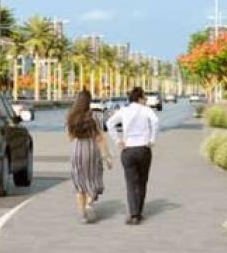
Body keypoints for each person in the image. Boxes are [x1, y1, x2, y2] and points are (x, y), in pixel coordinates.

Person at [105, 85, 160, 225]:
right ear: (140, 98)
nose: (145, 100)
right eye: (144, 98)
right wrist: (152, 139)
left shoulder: (124, 110)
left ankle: (133, 214)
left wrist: (118, 140)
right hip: (143, 148)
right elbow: (155, 121)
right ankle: (139, 212)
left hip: (128, 149)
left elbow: (109, 123)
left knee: (131, 183)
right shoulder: (146, 110)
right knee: (142, 182)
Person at [66, 89, 113, 223]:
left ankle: (83, 215)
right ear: (89, 102)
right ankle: (90, 202)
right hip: (92, 150)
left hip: (77, 151)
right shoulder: (94, 117)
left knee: (80, 184)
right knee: (94, 179)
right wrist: (107, 156)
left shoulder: (71, 116)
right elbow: (100, 138)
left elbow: (70, 137)